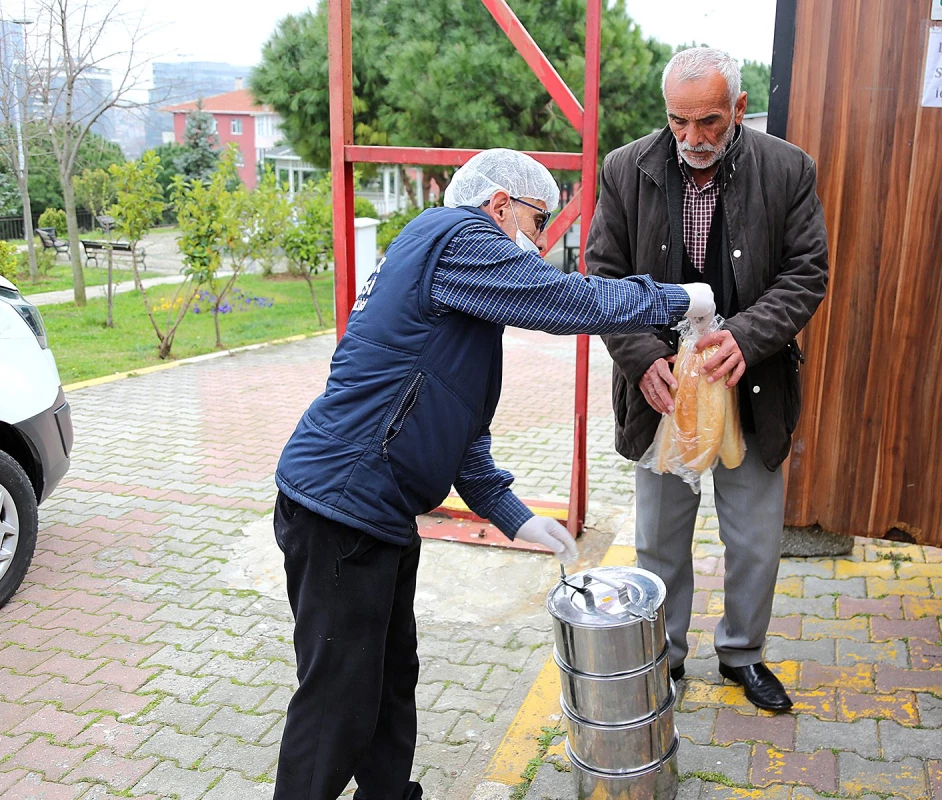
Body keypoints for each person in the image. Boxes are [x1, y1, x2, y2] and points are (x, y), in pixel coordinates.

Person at [270, 148, 715, 800]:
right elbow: (567, 300)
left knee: (391, 678)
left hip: (377, 513)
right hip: (341, 506)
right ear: (499, 205)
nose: (539, 245)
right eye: (538, 224)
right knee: (338, 698)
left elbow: (462, 436)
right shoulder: (455, 237)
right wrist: (678, 299)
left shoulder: (461, 289)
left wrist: (519, 518)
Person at [587, 47, 830, 711]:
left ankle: (743, 655)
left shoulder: (788, 168)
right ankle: (662, 660)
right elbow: (601, 280)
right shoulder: (625, 168)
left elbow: (808, 272)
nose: (692, 139)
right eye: (678, 122)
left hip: (754, 385)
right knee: (659, 541)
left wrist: (748, 338)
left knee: (754, 542)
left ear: (740, 110)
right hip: (660, 390)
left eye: (710, 124)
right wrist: (640, 358)